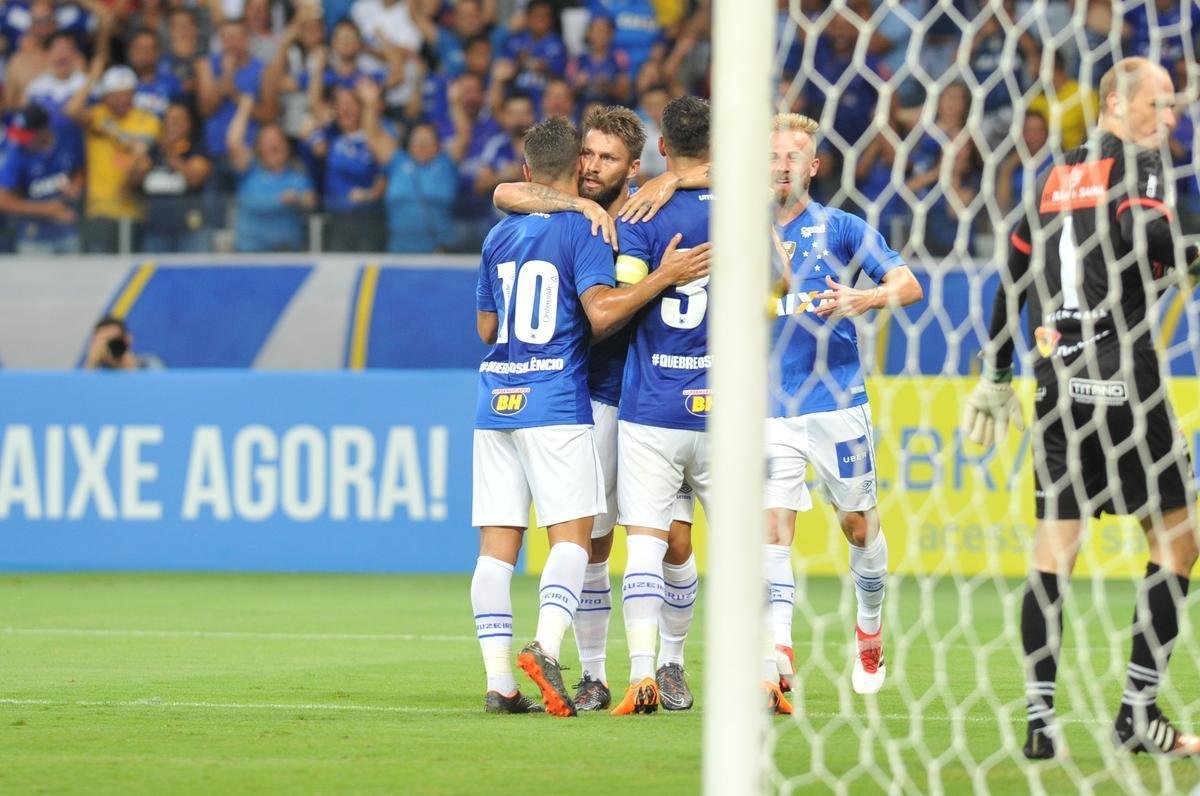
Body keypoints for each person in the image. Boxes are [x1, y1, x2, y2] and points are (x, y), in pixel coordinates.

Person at [961, 56, 1200, 759]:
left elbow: (1008, 280)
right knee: (1178, 538)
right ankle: (1136, 713)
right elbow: (1149, 234)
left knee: (1054, 548)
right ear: (1118, 107)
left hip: (1056, 383)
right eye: (1159, 105)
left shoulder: (1051, 178)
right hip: (1126, 375)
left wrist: (997, 374)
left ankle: (1040, 725)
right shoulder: (1139, 164)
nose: (1170, 118)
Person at [470, 115, 709, 716]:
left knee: (672, 541)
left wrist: (674, 184)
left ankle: (668, 662)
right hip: (587, 397)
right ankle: (594, 673)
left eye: (608, 159)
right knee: (593, 543)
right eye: (590, 156)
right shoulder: (579, 222)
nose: (596, 166)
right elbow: (505, 191)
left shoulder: (643, 217)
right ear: (576, 163)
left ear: (637, 168)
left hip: (650, 399)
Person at [764, 112, 922, 701]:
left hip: (837, 401)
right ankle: (778, 648)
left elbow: (909, 284)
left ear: (813, 166)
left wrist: (866, 297)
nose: (782, 166)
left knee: (860, 528)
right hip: (767, 407)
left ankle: (870, 629)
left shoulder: (841, 228)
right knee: (773, 525)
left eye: (792, 157)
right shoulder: (735, 230)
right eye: (773, 156)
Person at [607, 96, 715, 717]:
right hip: (727, 409)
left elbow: (621, 301)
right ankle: (757, 670)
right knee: (732, 544)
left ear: (664, 149)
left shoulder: (642, 212)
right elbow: (781, 286)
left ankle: (645, 673)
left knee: (648, 543)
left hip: (652, 404)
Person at [67, 53, 162, 253]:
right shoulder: (98, 113)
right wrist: (92, 77)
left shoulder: (147, 119)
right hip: (100, 209)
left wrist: (109, 130)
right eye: (116, 94)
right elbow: (71, 110)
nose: (122, 99)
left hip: (133, 210)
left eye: (127, 93)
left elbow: (140, 151)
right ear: (105, 95)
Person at [227, 94, 315, 252]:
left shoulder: (297, 176)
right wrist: (245, 108)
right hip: (250, 253)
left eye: (278, 141)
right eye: (268, 141)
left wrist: (298, 199)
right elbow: (234, 143)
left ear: (286, 146)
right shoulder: (249, 170)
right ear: (259, 148)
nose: (273, 145)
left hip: (286, 253)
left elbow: (310, 201)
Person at [0, 103, 83, 254]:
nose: (22, 141)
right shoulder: (17, 153)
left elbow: (80, 168)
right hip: (33, 236)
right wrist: (47, 209)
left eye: (28, 135)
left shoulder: (67, 137)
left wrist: (76, 185)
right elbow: (3, 200)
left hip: (68, 231)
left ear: (44, 130)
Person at [129, 103, 212, 253]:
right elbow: (131, 183)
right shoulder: (153, 151)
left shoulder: (197, 149)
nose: (175, 124)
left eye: (180, 120)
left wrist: (171, 155)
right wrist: (139, 157)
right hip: (155, 229)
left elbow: (196, 178)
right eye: (171, 120)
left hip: (190, 229)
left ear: (189, 124)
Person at [83, 316, 163, 370]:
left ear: (127, 340)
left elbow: (156, 391)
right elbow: (82, 392)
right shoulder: (92, 371)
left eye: (115, 341)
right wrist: (91, 364)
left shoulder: (148, 364)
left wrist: (130, 366)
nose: (112, 346)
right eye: (105, 341)